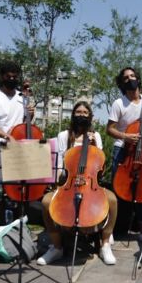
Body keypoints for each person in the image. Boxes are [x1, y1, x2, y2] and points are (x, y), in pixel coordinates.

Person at [37, 102, 118, 266]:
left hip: (91, 183)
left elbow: (99, 169)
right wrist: (61, 181)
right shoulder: (64, 136)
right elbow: (60, 166)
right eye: (78, 112)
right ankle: (57, 246)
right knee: (46, 201)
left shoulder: (96, 136)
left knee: (112, 200)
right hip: (69, 182)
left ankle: (105, 243)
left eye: (85, 112)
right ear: (73, 115)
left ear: (90, 116)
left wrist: (95, 146)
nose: (81, 115)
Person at [106, 67, 142, 244]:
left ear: (138, 78)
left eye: (132, 76)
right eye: (126, 77)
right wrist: (126, 136)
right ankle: (111, 231)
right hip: (123, 150)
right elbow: (109, 129)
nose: (130, 79)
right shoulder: (119, 103)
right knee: (118, 190)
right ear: (122, 83)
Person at [0, 61, 35, 144]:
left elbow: (23, 123)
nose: (11, 79)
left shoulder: (22, 97)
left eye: (14, 77)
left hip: (17, 144)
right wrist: (7, 136)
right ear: (2, 77)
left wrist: (30, 115)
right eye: (8, 76)